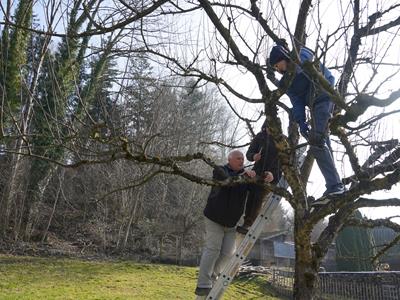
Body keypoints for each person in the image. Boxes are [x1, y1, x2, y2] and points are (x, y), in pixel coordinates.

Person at [268, 44, 345, 200]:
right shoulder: (287, 82)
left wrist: (297, 64)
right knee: (323, 144)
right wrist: (301, 123)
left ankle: (335, 186)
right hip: (315, 105)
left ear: (283, 58)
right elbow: (297, 102)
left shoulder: (300, 55)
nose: (278, 69)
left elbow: (308, 53)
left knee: (317, 142)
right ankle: (336, 186)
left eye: (277, 65)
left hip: (325, 96)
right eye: (275, 68)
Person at [194, 150, 273, 296]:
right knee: (213, 249)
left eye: (243, 159)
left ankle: (212, 276)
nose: (242, 161)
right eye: (238, 158)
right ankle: (203, 284)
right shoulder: (220, 170)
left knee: (228, 253)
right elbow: (228, 181)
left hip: (230, 224)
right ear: (229, 160)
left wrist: (267, 177)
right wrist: (244, 175)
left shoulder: (246, 175)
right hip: (214, 219)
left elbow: (257, 190)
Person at [236, 122, 281, 234]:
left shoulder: (282, 141)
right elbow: (249, 153)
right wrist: (253, 156)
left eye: (270, 128)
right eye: (265, 128)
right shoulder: (260, 137)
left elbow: (284, 163)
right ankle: (236, 218)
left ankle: (248, 224)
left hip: (271, 176)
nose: (267, 130)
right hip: (256, 172)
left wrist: (273, 175)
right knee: (243, 189)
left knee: (257, 195)